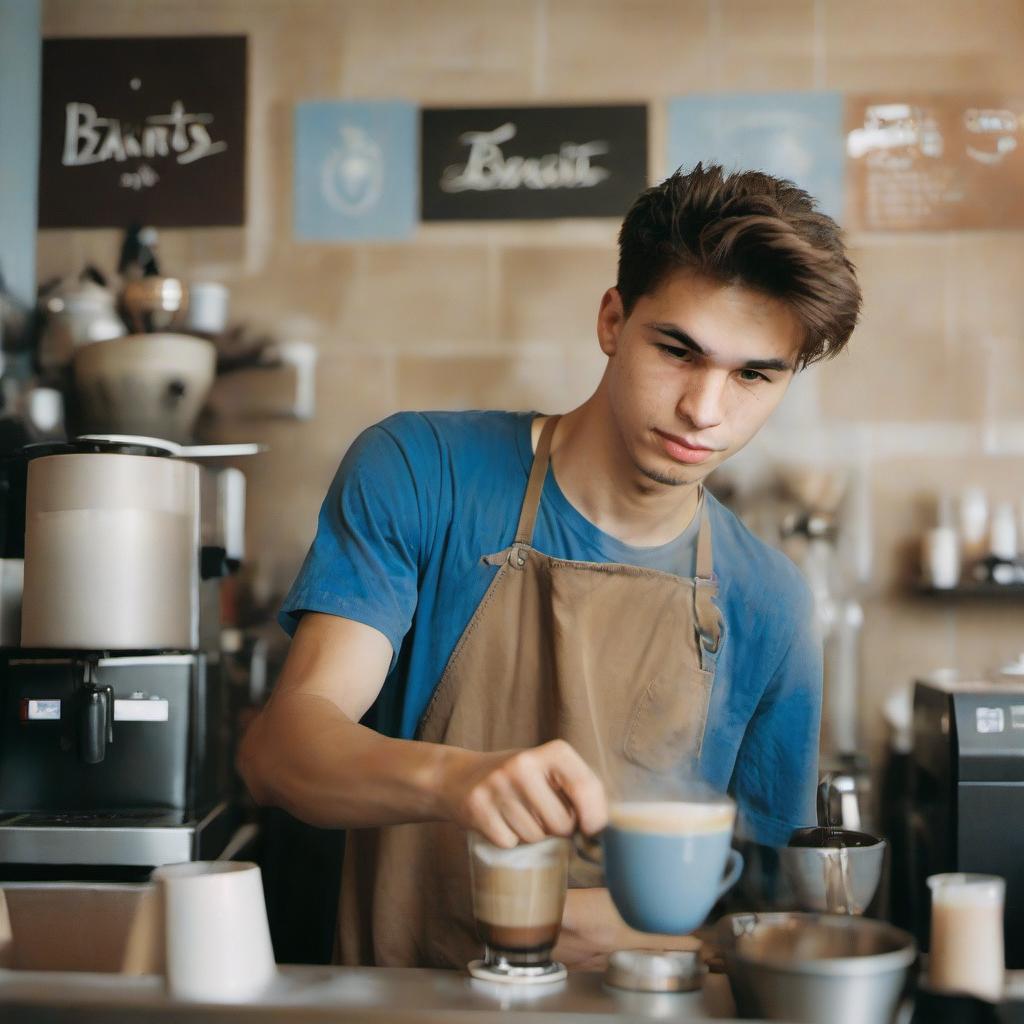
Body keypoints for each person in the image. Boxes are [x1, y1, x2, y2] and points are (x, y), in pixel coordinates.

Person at [239, 162, 862, 971]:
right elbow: (281, 751)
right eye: (678, 350)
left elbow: (775, 908)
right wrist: (456, 783)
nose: (705, 411)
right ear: (612, 320)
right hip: (405, 1006)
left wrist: (654, 935)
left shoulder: (769, 601)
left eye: (753, 375)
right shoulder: (421, 471)